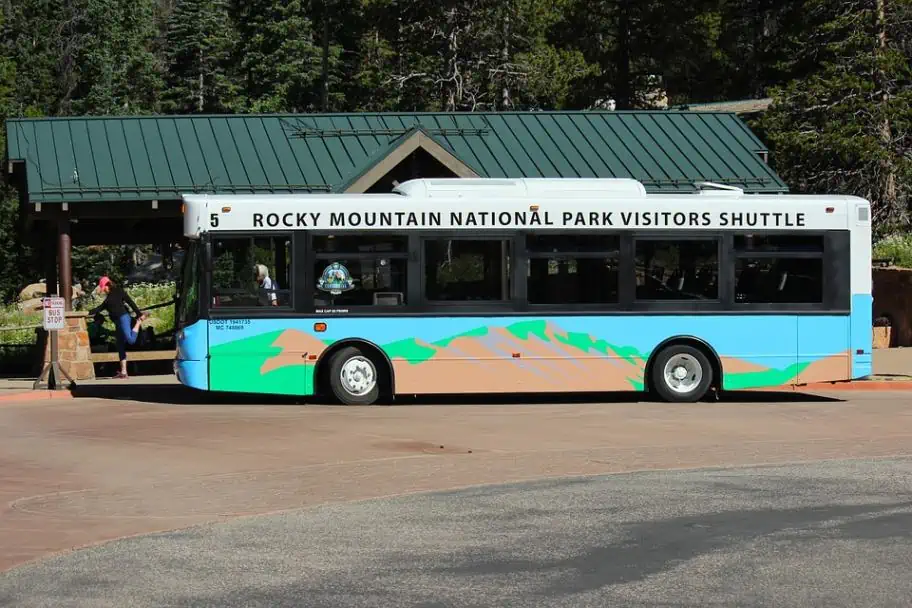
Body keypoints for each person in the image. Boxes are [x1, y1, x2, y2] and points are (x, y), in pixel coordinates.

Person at [89, 276, 148, 379]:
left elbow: (130, 302)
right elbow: (98, 309)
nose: (104, 290)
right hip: (117, 322)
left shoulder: (119, 291)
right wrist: (86, 313)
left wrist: (139, 315)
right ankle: (124, 372)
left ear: (108, 285)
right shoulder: (107, 300)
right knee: (120, 346)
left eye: (104, 288)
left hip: (124, 318)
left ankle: (138, 323)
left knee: (131, 340)